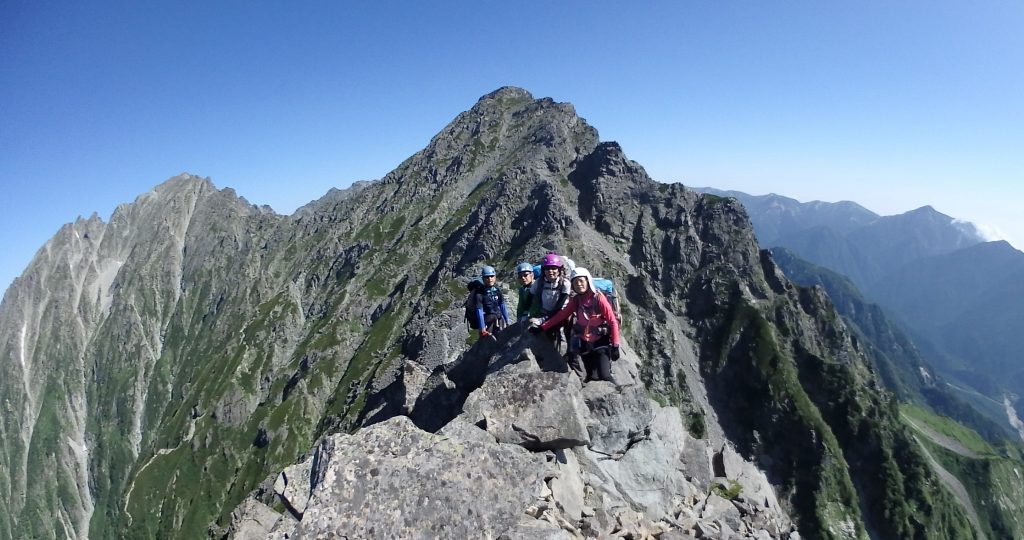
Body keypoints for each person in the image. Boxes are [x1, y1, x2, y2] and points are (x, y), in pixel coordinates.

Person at [533, 267, 620, 383]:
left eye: (581, 281)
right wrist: (542, 328)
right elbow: (561, 316)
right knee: (592, 377)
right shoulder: (576, 301)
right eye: (575, 282)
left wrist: (615, 345)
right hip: (585, 344)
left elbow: (612, 321)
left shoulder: (598, 298)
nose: (579, 284)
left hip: (600, 342)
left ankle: (618, 393)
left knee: (605, 375)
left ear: (587, 281)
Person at [527, 252, 571, 349]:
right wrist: (526, 314)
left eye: (554, 268)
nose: (550, 271)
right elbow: (529, 298)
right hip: (545, 314)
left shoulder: (565, 283)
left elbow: (560, 306)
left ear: (559, 270)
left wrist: (543, 319)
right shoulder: (539, 283)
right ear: (543, 270)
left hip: (562, 315)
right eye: (547, 268)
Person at [474, 265, 509, 338]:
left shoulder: (497, 290)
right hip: (487, 321)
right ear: (483, 279)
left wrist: (507, 321)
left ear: (495, 277)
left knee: (501, 340)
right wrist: (482, 328)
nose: (490, 279)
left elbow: (502, 306)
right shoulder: (479, 293)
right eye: (487, 277)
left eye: (492, 276)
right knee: (487, 341)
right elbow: (479, 311)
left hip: (499, 319)